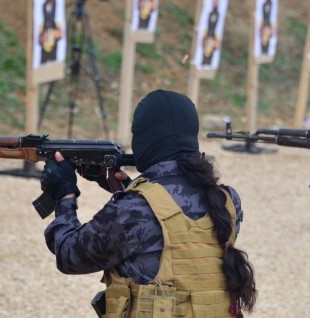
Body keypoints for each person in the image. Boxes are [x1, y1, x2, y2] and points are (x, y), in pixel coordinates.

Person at [41, 89, 257, 317]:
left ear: (146, 137)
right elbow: (179, 237)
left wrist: (65, 194)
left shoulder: (135, 209)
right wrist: (131, 190)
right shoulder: (228, 200)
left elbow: (69, 256)